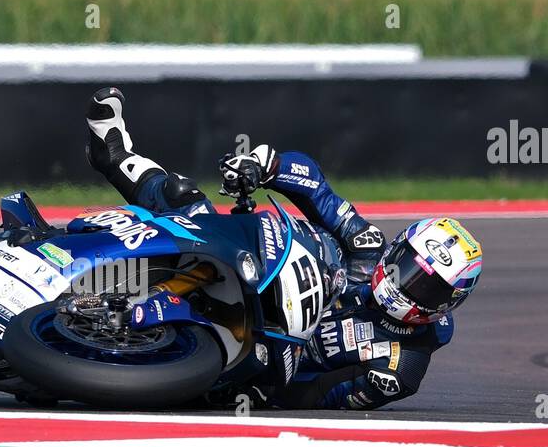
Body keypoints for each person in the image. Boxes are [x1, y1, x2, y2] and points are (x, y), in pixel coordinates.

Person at [85, 86, 483, 410]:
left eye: (427, 287)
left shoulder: (402, 366)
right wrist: (264, 167)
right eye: (408, 266)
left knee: (221, 388)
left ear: (446, 305)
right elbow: (317, 189)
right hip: (251, 265)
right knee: (183, 197)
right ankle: (112, 155)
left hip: (264, 361)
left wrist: (273, 393)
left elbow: (323, 396)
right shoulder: (367, 246)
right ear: (397, 248)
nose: (407, 284)